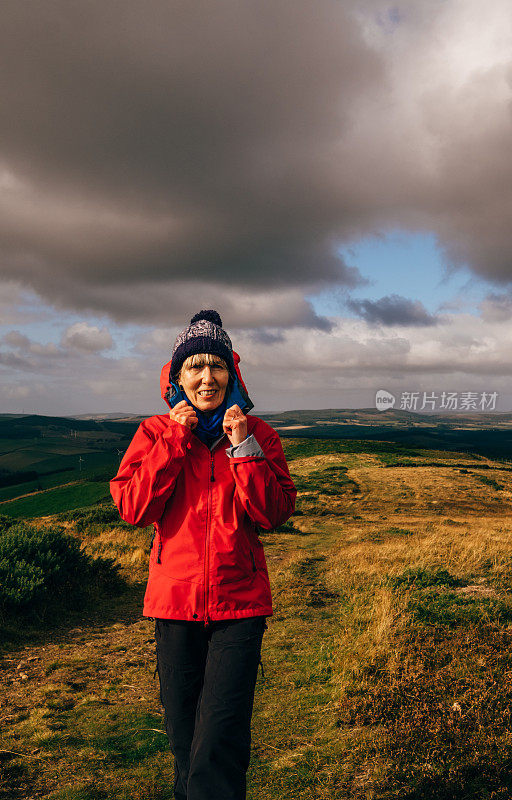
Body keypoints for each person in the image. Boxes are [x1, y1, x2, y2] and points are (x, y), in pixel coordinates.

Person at [110, 310, 297, 800]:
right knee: (185, 742)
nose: (206, 377)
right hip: (173, 604)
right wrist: (174, 439)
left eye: (217, 366)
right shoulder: (154, 433)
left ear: (232, 375)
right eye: (194, 366)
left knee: (218, 740)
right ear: (177, 377)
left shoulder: (258, 435)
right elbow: (133, 507)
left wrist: (244, 450)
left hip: (240, 605)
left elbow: (272, 512)